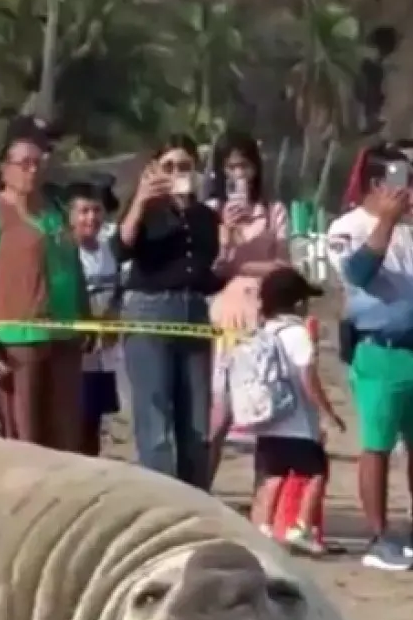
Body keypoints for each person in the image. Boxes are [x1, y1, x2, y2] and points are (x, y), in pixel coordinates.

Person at [326, 142, 413, 572]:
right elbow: (358, 274)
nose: (410, 188)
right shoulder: (348, 226)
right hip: (380, 349)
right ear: (376, 183)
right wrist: (386, 221)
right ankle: (378, 537)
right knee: (377, 446)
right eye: (401, 178)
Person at [0, 130, 86, 451]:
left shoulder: (55, 211)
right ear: (5, 169)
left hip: (64, 335)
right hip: (18, 340)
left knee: (66, 430)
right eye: (25, 163)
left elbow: (74, 267)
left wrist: (84, 317)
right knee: (25, 433)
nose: (33, 170)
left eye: (39, 163)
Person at [116, 134, 223, 488]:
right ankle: (162, 505)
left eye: (185, 166)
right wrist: (142, 200)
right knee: (156, 421)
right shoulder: (146, 210)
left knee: (196, 425)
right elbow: (120, 249)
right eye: (169, 166)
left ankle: (195, 500)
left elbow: (206, 273)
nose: (178, 173)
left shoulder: (206, 217)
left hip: (193, 311)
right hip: (151, 309)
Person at [220, 268, 345, 555]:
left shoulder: (264, 332)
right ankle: (301, 528)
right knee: (316, 473)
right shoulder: (298, 334)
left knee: (272, 475)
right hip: (299, 424)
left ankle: (262, 526)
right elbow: (308, 379)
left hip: (268, 419)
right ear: (298, 303)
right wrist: (328, 412)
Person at [67, 182, 123, 456]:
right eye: (84, 211)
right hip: (74, 350)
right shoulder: (65, 252)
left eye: (96, 210)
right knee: (74, 418)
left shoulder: (108, 250)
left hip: (103, 353)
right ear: (70, 216)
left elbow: (119, 291)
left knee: (94, 419)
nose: (91, 218)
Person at [210, 131, 293, 282]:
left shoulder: (274, 211)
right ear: (221, 171)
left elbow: (283, 266)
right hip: (225, 300)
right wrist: (226, 232)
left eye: (244, 166)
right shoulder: (211, 211)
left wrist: (239, 268)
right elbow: (212, 269)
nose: (239, 174)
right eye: (231, 167)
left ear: (255, 168)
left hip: (264, 297)